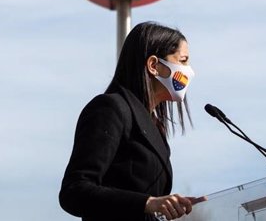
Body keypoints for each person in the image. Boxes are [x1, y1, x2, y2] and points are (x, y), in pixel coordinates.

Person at [59, 21, 206, 221]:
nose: (190, 71)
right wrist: (147, 203)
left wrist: (169, 206)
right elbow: (74, 191)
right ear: (154, 65)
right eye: (183, 60)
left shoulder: (154, 124)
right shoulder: (110, 108)